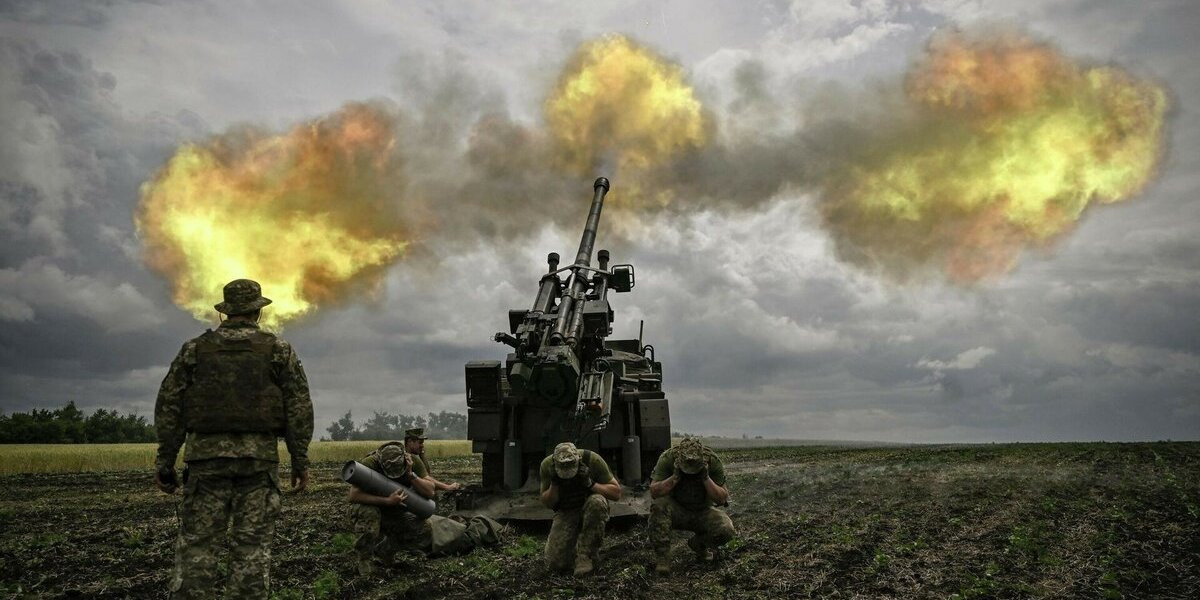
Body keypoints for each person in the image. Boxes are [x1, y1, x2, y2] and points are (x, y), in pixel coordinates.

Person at [154, 278, 314, 599]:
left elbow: (170, 405)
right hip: (258, 463)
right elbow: (298, 407)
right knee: (252, 548)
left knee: (197, 545)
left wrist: (165, 462)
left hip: (206, 461)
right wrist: (300, 461)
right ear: (258, 312)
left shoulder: (194, 349)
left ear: (225, 312)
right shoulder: (278, 350)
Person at [348, 442, 503, 576]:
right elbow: (354, 495)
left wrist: (411, 474)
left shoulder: (412, 461)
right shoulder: (370, 463)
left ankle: (385, 550)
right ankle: (364, 560)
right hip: (373, 506)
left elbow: (430, 491)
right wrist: (387, 501)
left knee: (423, 529)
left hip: (396, 508)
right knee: (369, 512)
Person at [647, 437, 735, 575]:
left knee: (726, 529)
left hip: (703, 511)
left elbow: (721, 498)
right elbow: (654, 492)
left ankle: (699, 544)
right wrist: (675, 477)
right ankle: (663, 558)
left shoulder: (712, 461)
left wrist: (706, 478)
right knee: (659, 506)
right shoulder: (668, 458)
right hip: (677, 510)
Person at [539, 442, 622, 577]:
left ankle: (586, 555)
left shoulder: (593, 460)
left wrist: (590, 483)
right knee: (555, 563)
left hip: (589, 506)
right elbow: (548, 503)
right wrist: (554, 483)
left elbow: (616, 493)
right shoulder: (547, 466)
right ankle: (573, 549)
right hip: (566, 511)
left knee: (597, 502)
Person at [403, 427, 463, 492]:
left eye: (422, 443)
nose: (422, 445)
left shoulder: (403, 454)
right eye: (420, 443)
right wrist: (447, 487)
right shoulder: (411, 458)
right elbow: (427, 479)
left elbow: (425, 472)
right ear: (410, 442)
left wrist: (422, 454)